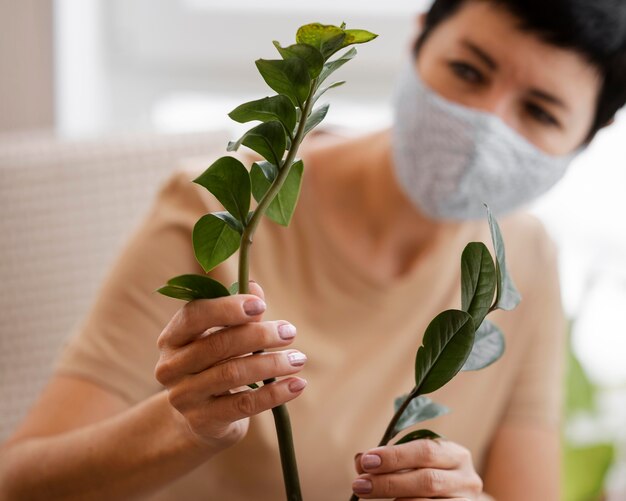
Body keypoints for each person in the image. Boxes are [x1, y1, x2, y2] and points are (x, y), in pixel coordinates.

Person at [1, 0, 625, 499]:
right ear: (416, 42)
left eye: (540, 111)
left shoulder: (524, 260)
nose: (486, 124)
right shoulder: (226, 208)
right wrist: (185, 425)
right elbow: (20, 484)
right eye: (467, 70)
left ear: (585, 139)